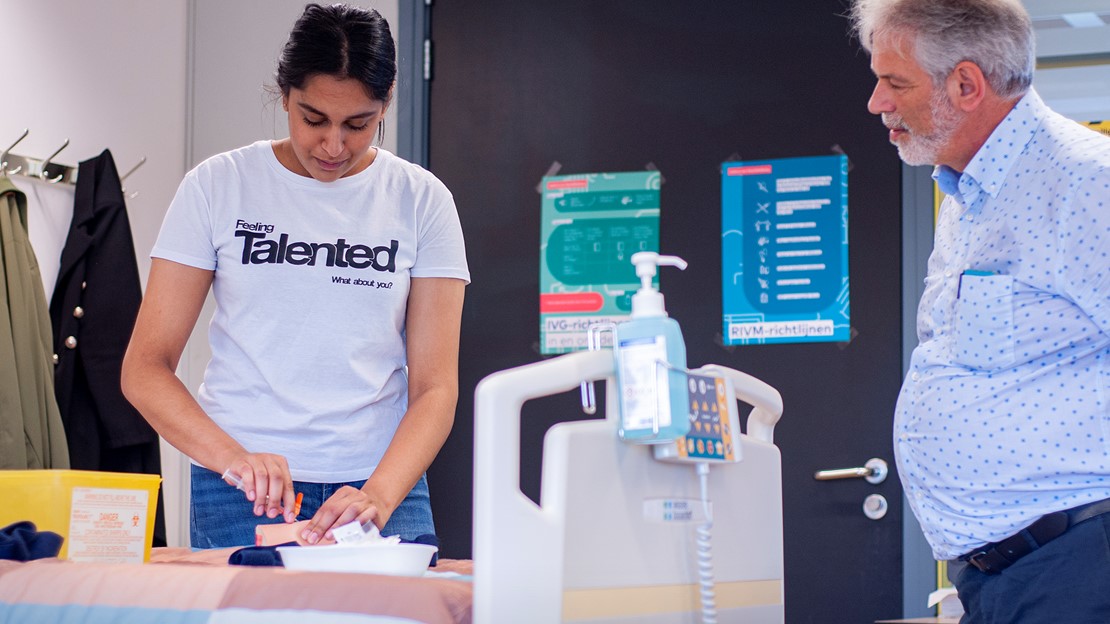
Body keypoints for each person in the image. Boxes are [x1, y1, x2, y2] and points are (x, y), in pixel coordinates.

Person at [122, 3, 469, 549]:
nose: (333, 146)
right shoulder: (217, 186)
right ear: (284, 96)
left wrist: (378, 494)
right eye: (313, 119)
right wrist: (235, 460)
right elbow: (144, 368)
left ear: (386, 103)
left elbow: (435, 388)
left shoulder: (422, 200)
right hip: (241, 489)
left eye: (358, 124)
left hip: (382, 485)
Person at [850, 0, 1110, 621]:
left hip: (1077, 568)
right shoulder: (967, 196)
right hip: (1006, 577)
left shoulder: (1085, 183)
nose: (876, 102)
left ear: (966, 85)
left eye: (895, 82)